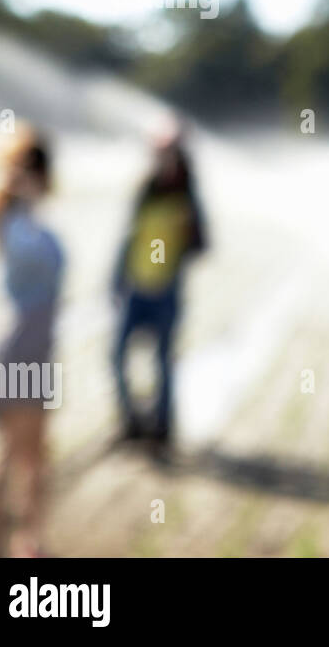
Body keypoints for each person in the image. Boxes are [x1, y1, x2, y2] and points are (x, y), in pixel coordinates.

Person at [0, 129, 64, 558]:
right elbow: (21, 250)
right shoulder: (14, 225)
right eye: (28, 169)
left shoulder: (27, 223)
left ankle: (25, 542)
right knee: (15, 454)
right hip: (21, 347)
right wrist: (18, 188)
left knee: (35, 455)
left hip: (40, 348)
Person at [111, 127, 207, 454]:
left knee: (162, 362)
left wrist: (185, 236)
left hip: (166, 291)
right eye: (158, 153)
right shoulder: (145, 191)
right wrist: (116, 279)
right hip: (136, 287)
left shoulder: (188, 198)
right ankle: (132, 422)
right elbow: (128, 237)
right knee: (117, 356)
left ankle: (161, 427)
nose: (161, 160)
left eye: (167, 154)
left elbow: (201, 245)